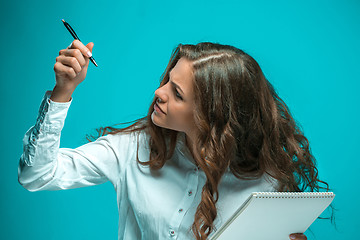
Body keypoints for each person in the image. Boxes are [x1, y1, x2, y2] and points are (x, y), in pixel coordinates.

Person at [18, 39, 327, 240]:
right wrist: (63, 92)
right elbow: (37, 175)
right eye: (167, 80)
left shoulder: (264, 183)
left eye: (176, 93)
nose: (158, 92)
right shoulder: (133, 148)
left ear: (211, 116)